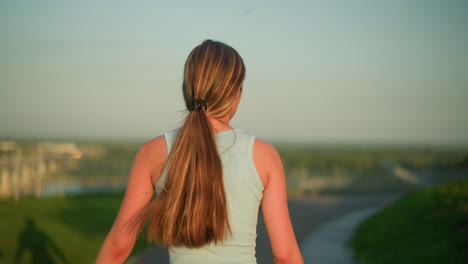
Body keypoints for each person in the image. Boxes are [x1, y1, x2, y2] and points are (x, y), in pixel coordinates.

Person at [95, 40, 303, 264]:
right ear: (235, 93)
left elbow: (118, 246)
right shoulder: (263, 155)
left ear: (187, 88)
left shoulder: (152, 152)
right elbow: (284, 255)